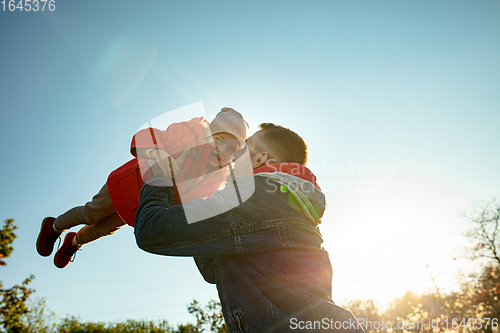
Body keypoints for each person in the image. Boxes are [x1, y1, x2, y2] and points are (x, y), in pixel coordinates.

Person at [134, 123, 365, 332]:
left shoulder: (254, 195)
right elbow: (212, 269)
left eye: (243, 149)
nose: (234, 156)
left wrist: (160, 173)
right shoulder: (285, 201)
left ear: (259, 159)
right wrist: (188, 195)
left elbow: (151, 229)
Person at [36, 108, 249, 269]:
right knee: (92, 213)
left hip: (142, 207)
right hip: (128, 184)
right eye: (219, 139)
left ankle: (73, 242)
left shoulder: (216, 178)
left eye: (231, 148)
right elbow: (148, 137)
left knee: (104, 229)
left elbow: (195, 203)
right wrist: (160, 154)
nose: (222, 150)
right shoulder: (188, 135)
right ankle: (54, 226)